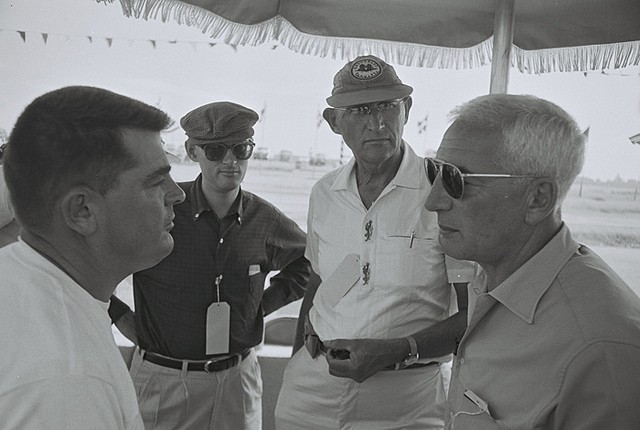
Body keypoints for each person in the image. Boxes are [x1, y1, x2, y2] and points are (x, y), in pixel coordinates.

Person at [275, 55, 476, 429]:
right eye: (360, 110)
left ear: (407, 109)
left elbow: (474, 315)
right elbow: (318, 282)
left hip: (407, 399)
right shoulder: (325, 193)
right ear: (334, 122)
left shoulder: (443, 192)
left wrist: (398, 350)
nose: (378, 123)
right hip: (312, 390)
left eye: (387, 106)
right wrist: (297, 359)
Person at [424, 94, 640, 429]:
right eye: (433, 171)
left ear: (538, 199)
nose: (432, 200)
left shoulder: (599, 350)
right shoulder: (496, 276)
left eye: (455, 180)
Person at [108, 101, 311, 430]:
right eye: (216, 151)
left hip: (236, 381)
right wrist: (117, 313)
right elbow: (91, 264)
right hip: (164, 382)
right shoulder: (161, 210)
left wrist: (260, 307)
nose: (230, 161)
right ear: (192, 151)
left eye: (241, 149)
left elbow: (306, 261)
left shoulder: (266, 219)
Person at [0, 86, 185, 429]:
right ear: (82, 211)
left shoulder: (15, 274)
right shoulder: (68, 381)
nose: (177, 194)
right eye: (155, 182)